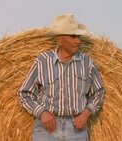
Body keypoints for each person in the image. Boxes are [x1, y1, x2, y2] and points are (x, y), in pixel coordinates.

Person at [18, 13, 105, 141]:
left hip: (76, 130)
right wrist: (42, 113)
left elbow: (99, 92)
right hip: (46, 129)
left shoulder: (87, 63)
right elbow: (24, 93)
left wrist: (86, 114)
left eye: (79, 37)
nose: (78, 41)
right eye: (73, 37)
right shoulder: (42, 61)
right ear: (60, 40)